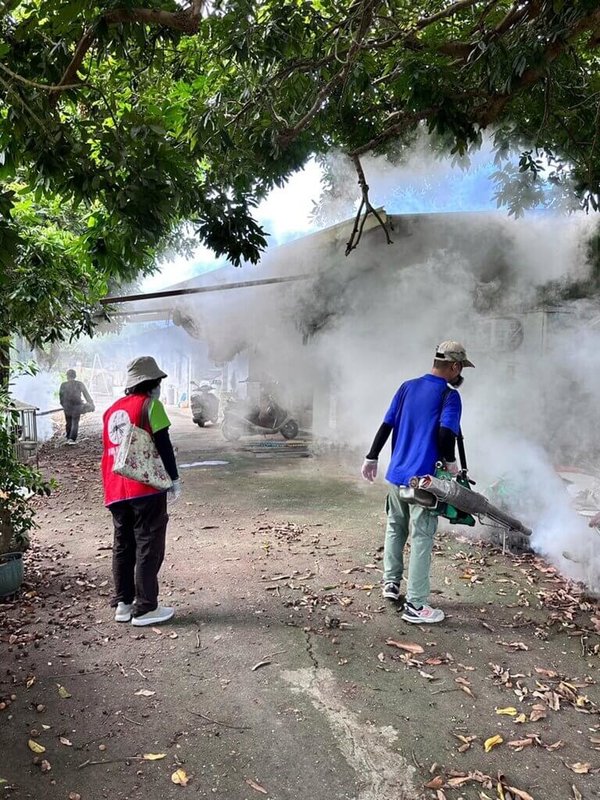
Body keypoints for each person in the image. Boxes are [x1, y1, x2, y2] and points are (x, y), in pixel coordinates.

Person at [361, 341, 475, 624]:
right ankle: (416, 605)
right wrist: (450, 463)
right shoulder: (449, 396)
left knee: (395, 529)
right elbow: (446, 434)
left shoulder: (407, 386)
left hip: (397, 473)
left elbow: (386, 424)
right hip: (425, 482)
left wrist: (371, 456)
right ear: (455, 366)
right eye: (461, 369)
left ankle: (390, 583)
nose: (461, 374)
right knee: (422, 536)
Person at [101, 356, 182, 627]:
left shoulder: (111, 410)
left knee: (123, 544)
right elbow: (164, 445)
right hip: (145, 487)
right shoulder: (151, 405)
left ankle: (123, 604)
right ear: (152, 383)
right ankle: (146, 608)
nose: (159, 386)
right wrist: (174, 478)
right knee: (148, 543)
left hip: (115, 488)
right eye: (158, 382)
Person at [59, 369, 94, 444]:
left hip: (67, 406)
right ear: (75, 376)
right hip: (77, 406)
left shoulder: (63, 385)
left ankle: (68, 437)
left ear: (67, 376)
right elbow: (86, 394)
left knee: (68, 422)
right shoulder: (80, 384)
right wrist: (91, 403)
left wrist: (63, 405)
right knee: (75, 422)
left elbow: (61, 397)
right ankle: (72, 439)